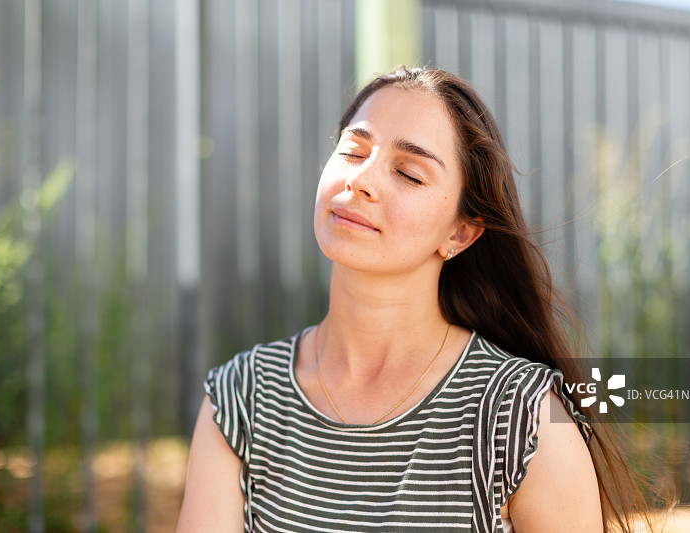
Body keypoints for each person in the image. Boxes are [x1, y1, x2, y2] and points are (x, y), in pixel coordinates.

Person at [176, 66, 652, 533]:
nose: (360, 180)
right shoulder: (241, 397)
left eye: (408, 173)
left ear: (461, 233)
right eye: (352, 150)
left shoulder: (521, 418)